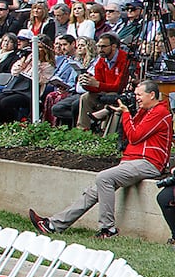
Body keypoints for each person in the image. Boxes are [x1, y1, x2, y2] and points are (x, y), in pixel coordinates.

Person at [31, 79, 172, 239]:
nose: (136, 98)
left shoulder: (160, 112)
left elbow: (134, 136)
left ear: (152, 94)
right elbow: (130, 133)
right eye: (135, 95)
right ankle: (53, 224)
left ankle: (108, 229)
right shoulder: (145, 111)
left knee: (104, 178)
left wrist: (126, 113)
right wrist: (124, 112)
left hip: (149, 162)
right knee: (92, 192)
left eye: (139, 95)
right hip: (133, 160)